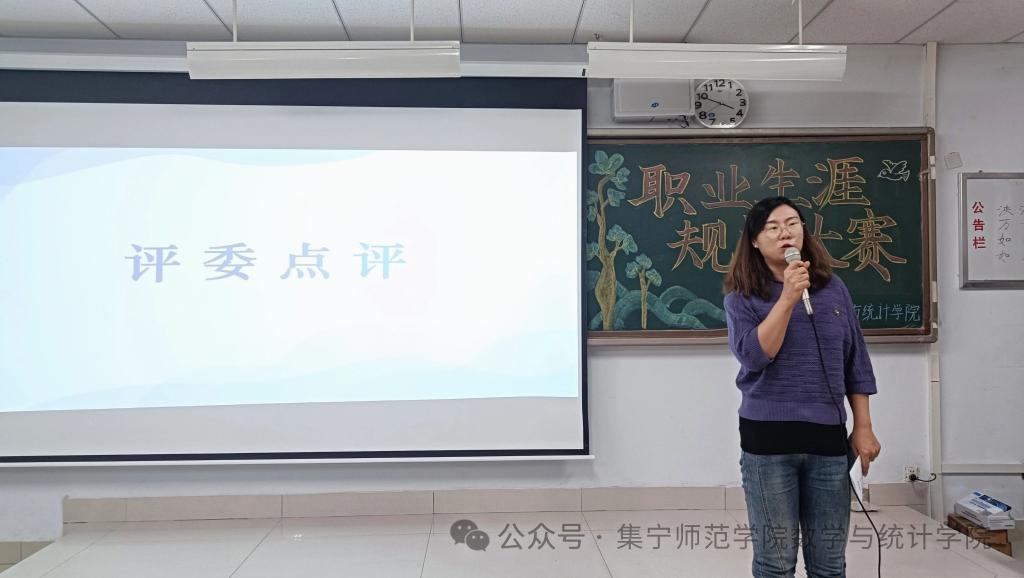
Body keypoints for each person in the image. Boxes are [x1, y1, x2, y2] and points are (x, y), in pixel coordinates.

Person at [722, 196, 881, 578]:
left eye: (792, 223)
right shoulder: (741, 297)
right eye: (773, 227)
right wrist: (788, 298)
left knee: (829, 564)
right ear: (755, 240)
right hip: (768, 441)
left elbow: (855, 361)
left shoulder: (833, 289)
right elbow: (755, 355)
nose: (785, 233)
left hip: (827, 439)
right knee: (776, 563)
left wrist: (863, 426)